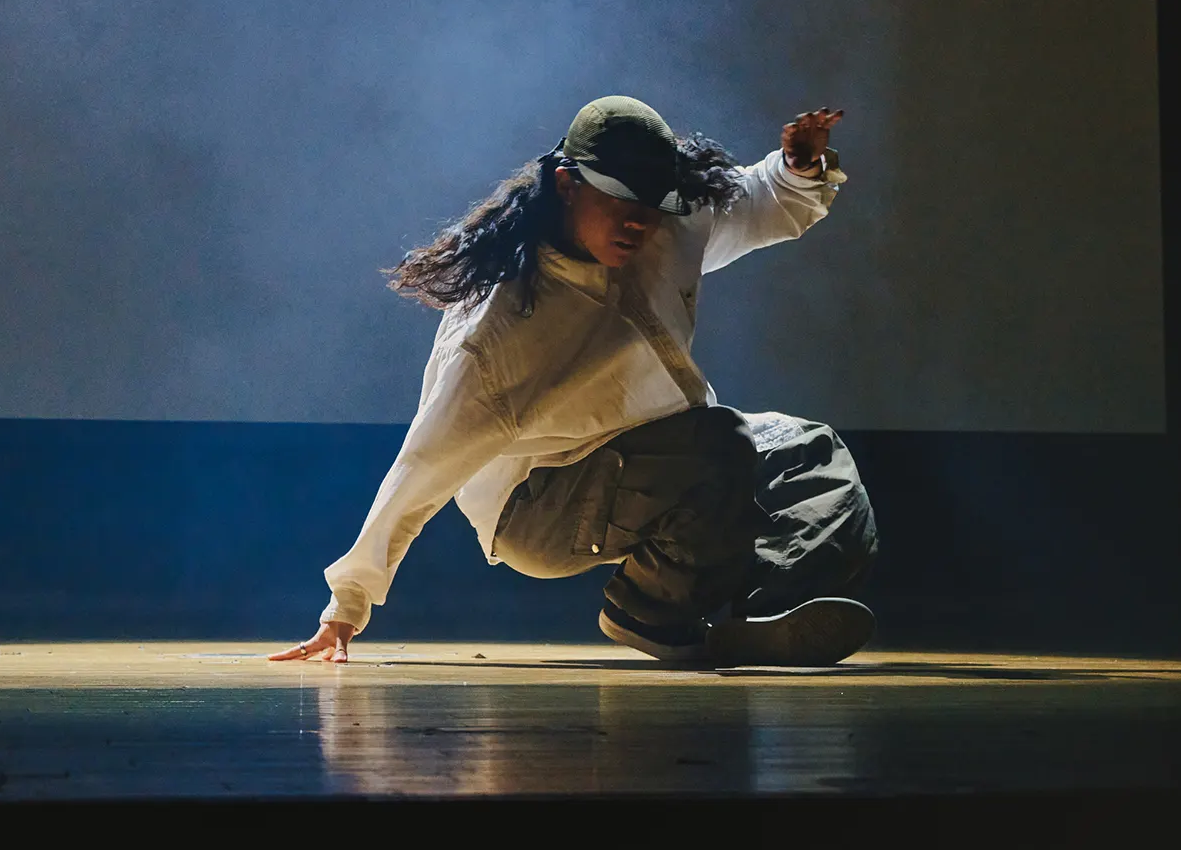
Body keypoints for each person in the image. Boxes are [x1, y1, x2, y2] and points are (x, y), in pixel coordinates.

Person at [270, 95, 878, 667]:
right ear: (567, 184)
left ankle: (760, 608)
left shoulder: (667, 225)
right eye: (621, 203)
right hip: (536, 508)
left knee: (813, 454)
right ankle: (648, 610)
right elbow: (423, 467)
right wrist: (347, 604)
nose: (638, 225)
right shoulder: (504, 324)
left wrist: (797, 169)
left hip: (659, 457)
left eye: (652, 207)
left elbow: (753, 201)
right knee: (719, 444)